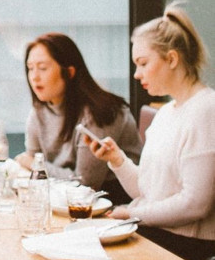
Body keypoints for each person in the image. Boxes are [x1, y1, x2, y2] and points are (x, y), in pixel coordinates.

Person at [87, 2, 215, 260]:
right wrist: (117, 160)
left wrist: (134, 214)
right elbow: (147, 191)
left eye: (143, 63)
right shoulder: (167, 113)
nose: (137, 74)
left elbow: (196, 204)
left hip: (190, 247)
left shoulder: (206, 110)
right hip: (162, 235)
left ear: (172, 59)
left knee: (87, 254)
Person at [16, 33, 141, 193]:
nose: (34, 76)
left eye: (42, 68)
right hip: (64, 197)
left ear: (69, 72)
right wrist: (33, 163)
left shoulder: (99, 112)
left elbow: (87, 183)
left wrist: (35, 164)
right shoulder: (39, 110)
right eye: (30, 68)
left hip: (111, 202)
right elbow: (31, 163)